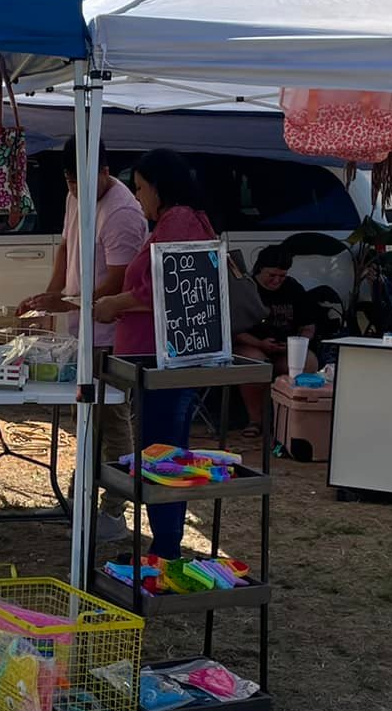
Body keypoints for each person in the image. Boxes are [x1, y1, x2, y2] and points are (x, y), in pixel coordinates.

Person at [93, 149, 217, 558]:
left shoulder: (178, 220)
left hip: (162, 360)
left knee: (162, 455)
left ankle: (165, 549)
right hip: (154, 359)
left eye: (142, 187)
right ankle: (163, 546)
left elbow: (171, 289)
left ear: (161, 186)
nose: (138, 195)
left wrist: (117, 304)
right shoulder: (174, 220)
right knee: (160, 452)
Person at [17, 137, 149, 348]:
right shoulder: (74, 196)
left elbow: (119, 281)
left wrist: (65, 303)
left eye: (86, 184)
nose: (79, 193)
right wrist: (46, 300)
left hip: (109, 335)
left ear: (104, 173)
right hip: (80, 330)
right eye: (71, 182)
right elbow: (66, 247)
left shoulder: (121, 214)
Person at [232, 246, 319, 431]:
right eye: (272, 275)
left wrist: (299, 344)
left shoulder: (293, 288)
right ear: (260, 269)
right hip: (251, 344)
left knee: (308, 361)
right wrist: (259, 343)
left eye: (282, 276)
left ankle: (292, 419)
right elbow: (234, 329)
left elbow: (308, 325)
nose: (277, 280)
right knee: (255, 363)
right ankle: (255, 420)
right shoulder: (247, 289)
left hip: (285, 346)